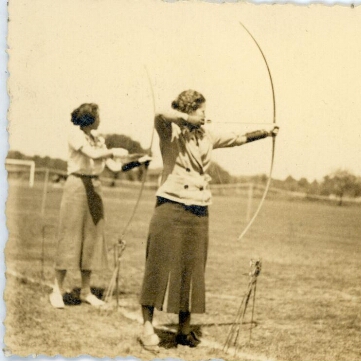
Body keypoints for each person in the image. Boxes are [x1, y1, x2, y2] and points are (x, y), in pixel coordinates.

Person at [138, 90, 279, 351]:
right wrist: (184, 119)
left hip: (199, 210)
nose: (205, 114)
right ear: (189, 109)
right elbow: (160, 114)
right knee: (157, 265)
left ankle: (184, 328)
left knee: (192, 270)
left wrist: (267, 132)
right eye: (201, 110)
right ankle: (147, 327)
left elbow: (239, 138)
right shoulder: (170, 133)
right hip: (170, 205)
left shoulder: (207, 135)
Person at [49, 103, 129, 309]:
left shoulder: (98, 139)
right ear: (89, 118)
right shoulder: (75, 135)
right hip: (76, 186)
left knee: (92, 238)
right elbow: (93, 156)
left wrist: (139, 161)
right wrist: (112, 151)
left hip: (95, 188)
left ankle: (86, 291)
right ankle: (56, 290)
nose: (100, 119)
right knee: (69, 236)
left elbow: (115, 167)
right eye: (97, 115)